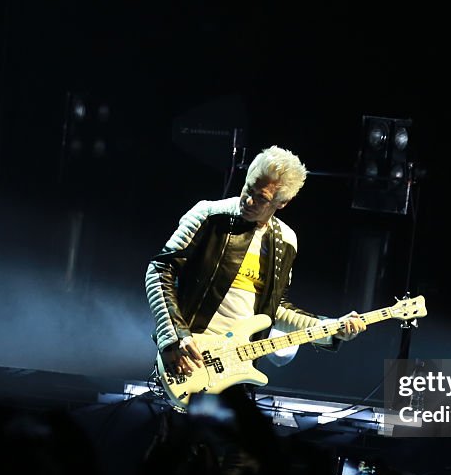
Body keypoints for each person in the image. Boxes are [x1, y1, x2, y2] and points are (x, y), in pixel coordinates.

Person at [145, 145, 366, 383]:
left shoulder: (286, 241)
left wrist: (332, 329)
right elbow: (159, 271)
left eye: (262, 198)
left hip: (236, 370)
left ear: (282, 203)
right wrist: (175, 336)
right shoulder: (207, 215)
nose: (248, 200)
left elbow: (274, 310)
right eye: (249, 188)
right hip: (188, 358)